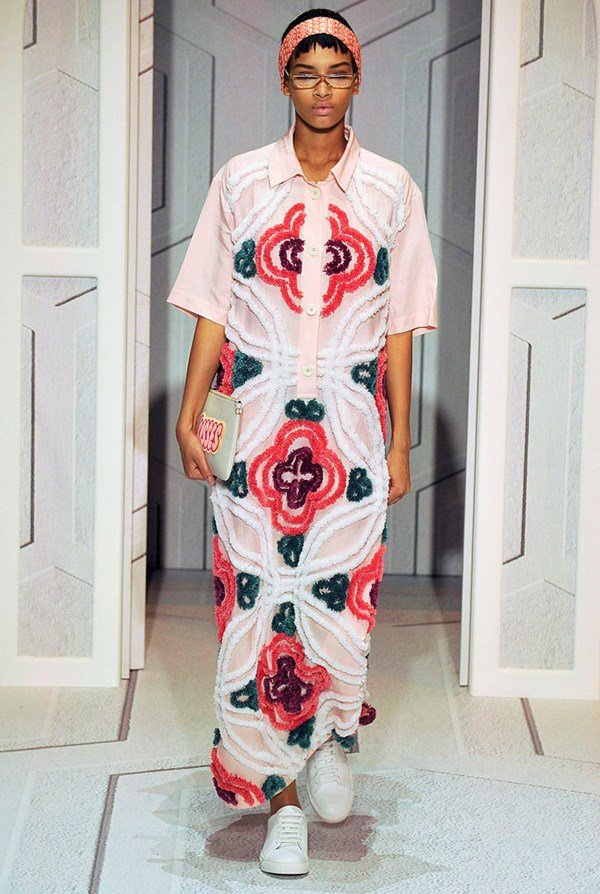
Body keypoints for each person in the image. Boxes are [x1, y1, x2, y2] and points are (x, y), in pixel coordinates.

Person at [166, 7, 438, 877]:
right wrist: (190, 413)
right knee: (255, 604)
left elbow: (400, 327)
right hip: (255, 429)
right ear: (284, 80)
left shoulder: (390, 189)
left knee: (339, 602)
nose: (323, 89)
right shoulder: (243, 180)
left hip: (352, 435)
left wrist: (399, 444)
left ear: (357, 80)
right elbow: (212, 305)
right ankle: (279, 797)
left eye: (338, 72)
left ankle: (327, 740)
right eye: (307, 73)